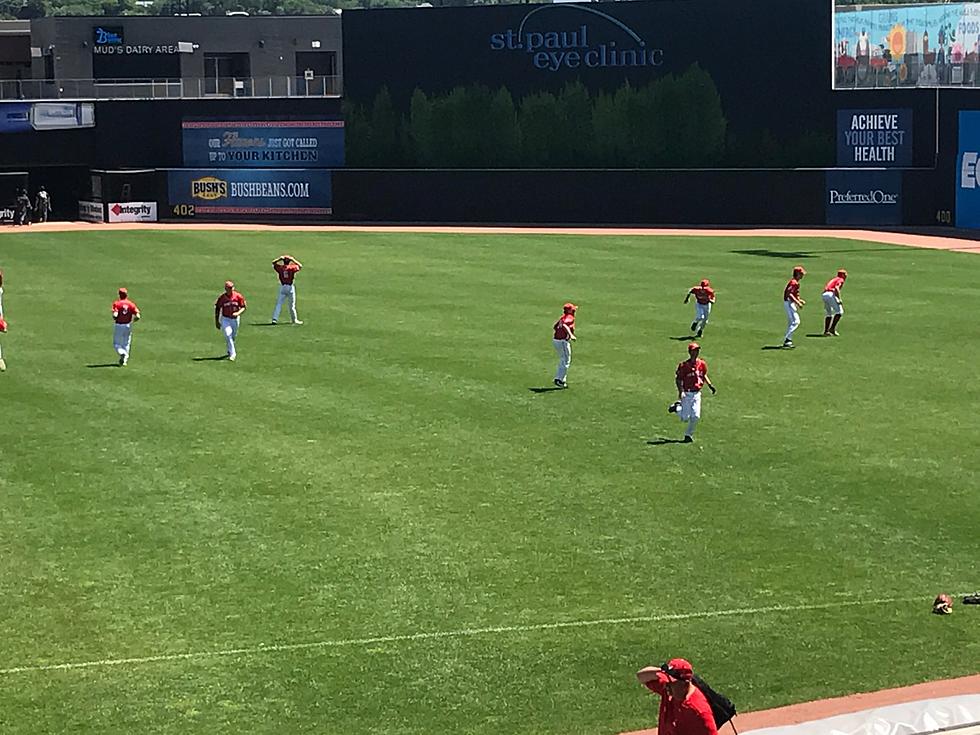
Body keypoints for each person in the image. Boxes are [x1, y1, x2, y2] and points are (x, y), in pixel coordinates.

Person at [636, 658, 718, 735]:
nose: (666, 686)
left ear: (685, 684)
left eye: (670, 683)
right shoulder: (671, 690)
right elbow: (641, 676)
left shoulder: (698, 712)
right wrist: (663, 671)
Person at [669, 342, 716, 443]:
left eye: (698, 350)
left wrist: (710, 385)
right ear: (690, 352)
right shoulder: (684, 366)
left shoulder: (702, 364)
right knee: (685, 418)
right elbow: (678, 379)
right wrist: (681, 391)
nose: (696, 352)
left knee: (696, 416)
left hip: (697, 394)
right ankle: (677, 407)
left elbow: (704, 375)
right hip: (687, 393)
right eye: (694, 350)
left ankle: (688, 435)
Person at [215, 280, 247, 361]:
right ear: (226, 289)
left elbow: (243, 307)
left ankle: (229, 350)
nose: (231, 289)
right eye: (229, 288)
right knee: (228, 334)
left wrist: (238, 313)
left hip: (235, 319)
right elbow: (218, 308)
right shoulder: (222, 298)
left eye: (232, 287)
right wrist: (217, 321)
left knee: (232, 337)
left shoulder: (238, 296)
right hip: (225, 319)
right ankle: (233, 354)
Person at [270, 254, 303, 325]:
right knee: (292, 305)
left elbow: (273, 263)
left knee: (279, 304)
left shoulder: (280, 268)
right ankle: (294, 320)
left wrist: (279, 259)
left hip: (282, 287)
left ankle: (274, 319)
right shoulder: (291, 268)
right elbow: (300, 266)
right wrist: (293, 259)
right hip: (290, 287)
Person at [111, 287, 140, 366]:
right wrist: (132, 321)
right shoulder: (131, 304)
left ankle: (122, 353)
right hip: (128, 325)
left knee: (116, 343)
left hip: (119, 325)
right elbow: (138, 315)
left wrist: (114, 317)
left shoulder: (117, 304)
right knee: (126, 343)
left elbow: (115, 314)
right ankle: (124, 361)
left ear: (119, 295)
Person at [552, 302, 577, 388]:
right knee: (566, 360)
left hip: (556, 340)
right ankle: (559, 379)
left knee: (564, 359)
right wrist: (570, 335)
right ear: (569, 310)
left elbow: (555, 326)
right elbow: (565, 325)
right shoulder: (569, 317)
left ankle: (562, 380)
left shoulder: (562, 317)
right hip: (562, 341)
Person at [782, 265, 806, 349]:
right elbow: (789, 294)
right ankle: (787, 338)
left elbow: (795, 294)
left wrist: (799, 300)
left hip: (790, 303)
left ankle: (789, 341)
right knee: (796, 321)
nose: (803, 275)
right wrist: (797, 303)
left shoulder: (795, 282)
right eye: (801, 274)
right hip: (788, 303)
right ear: (798, 274)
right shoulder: (793, 282)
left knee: (791, 322)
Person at [821, 269, 847, 336]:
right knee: (839, 312)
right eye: (845, 274)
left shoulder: (834, 279)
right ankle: (832, 329)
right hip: (830, 294)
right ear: (842, 275)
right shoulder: (840, 279)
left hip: (824, 294)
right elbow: (836, 288)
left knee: (829, 313)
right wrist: (839, 299)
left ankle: (826, 331)